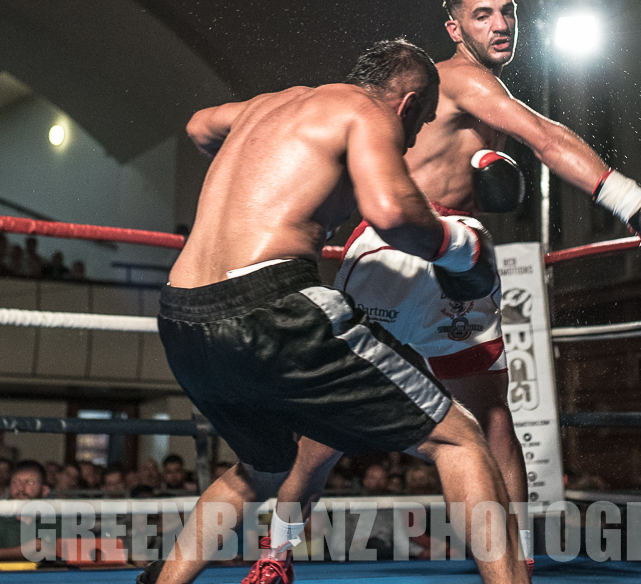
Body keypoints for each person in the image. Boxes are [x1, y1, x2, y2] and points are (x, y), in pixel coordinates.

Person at [337, 0, 641, 553]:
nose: (501, 24)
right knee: (472, 420)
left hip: (432, 254)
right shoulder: (457, 78)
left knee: (485, 415)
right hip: (412, 247)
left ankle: (515, 551)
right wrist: (636, 204)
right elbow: (545, 136)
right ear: (454, 27)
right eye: (483, 14)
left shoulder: (474, 94)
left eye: (507, 11)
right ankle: (516, 557)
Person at [144, 39, 527, 584]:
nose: (413, 141)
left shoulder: (270, 104)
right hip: (268, 303)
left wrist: (260, 170)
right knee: (460, 438)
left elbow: (200, 126)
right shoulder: (366, 110)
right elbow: (393, 213)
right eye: (418, 125)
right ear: (407, 103)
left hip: (182, 313)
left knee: (262, 468)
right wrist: (462, 248)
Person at [0, 461, 58, 561]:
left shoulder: (54, 519)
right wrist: (27, 550)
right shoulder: (2, 519)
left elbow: (65, 552)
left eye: (29, 482)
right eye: (16, 482)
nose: (21, 488)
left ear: (44, 490)